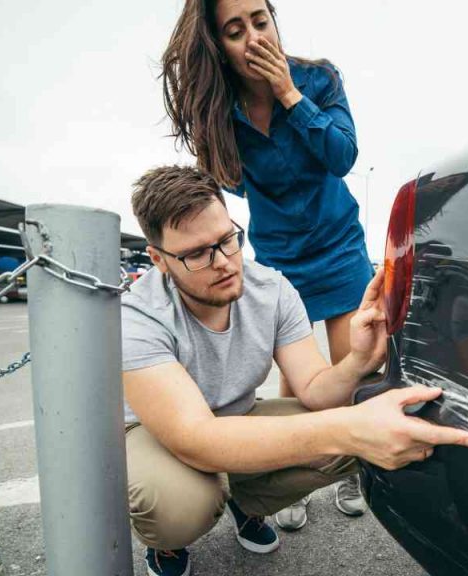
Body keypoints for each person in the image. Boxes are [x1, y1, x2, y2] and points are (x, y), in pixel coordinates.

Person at [123, 165, 468, 576]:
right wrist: (349, 427)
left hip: (237, 415)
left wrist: (359, 360)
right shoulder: (138, 314)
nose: (223, 263)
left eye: (227, 240)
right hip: (161, 435)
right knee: (177, 506)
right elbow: (194, 438)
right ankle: (169, 545)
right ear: (159, 259)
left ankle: (247, 502)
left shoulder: (271, 289)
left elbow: (313, 388)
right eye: (198, 253)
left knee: (362, 426)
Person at [161, 0, 374, 528]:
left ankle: (352, 470)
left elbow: (342, 156)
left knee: (349, 370)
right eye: (236, 31)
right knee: (297, 380)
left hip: (339, 244)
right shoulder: (221, 111)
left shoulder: (319, 78)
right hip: (280, 256)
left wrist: (289, 95)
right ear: (220, 48)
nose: (255, 37)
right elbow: (230, 180)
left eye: (261, 20)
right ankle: (294, 471)